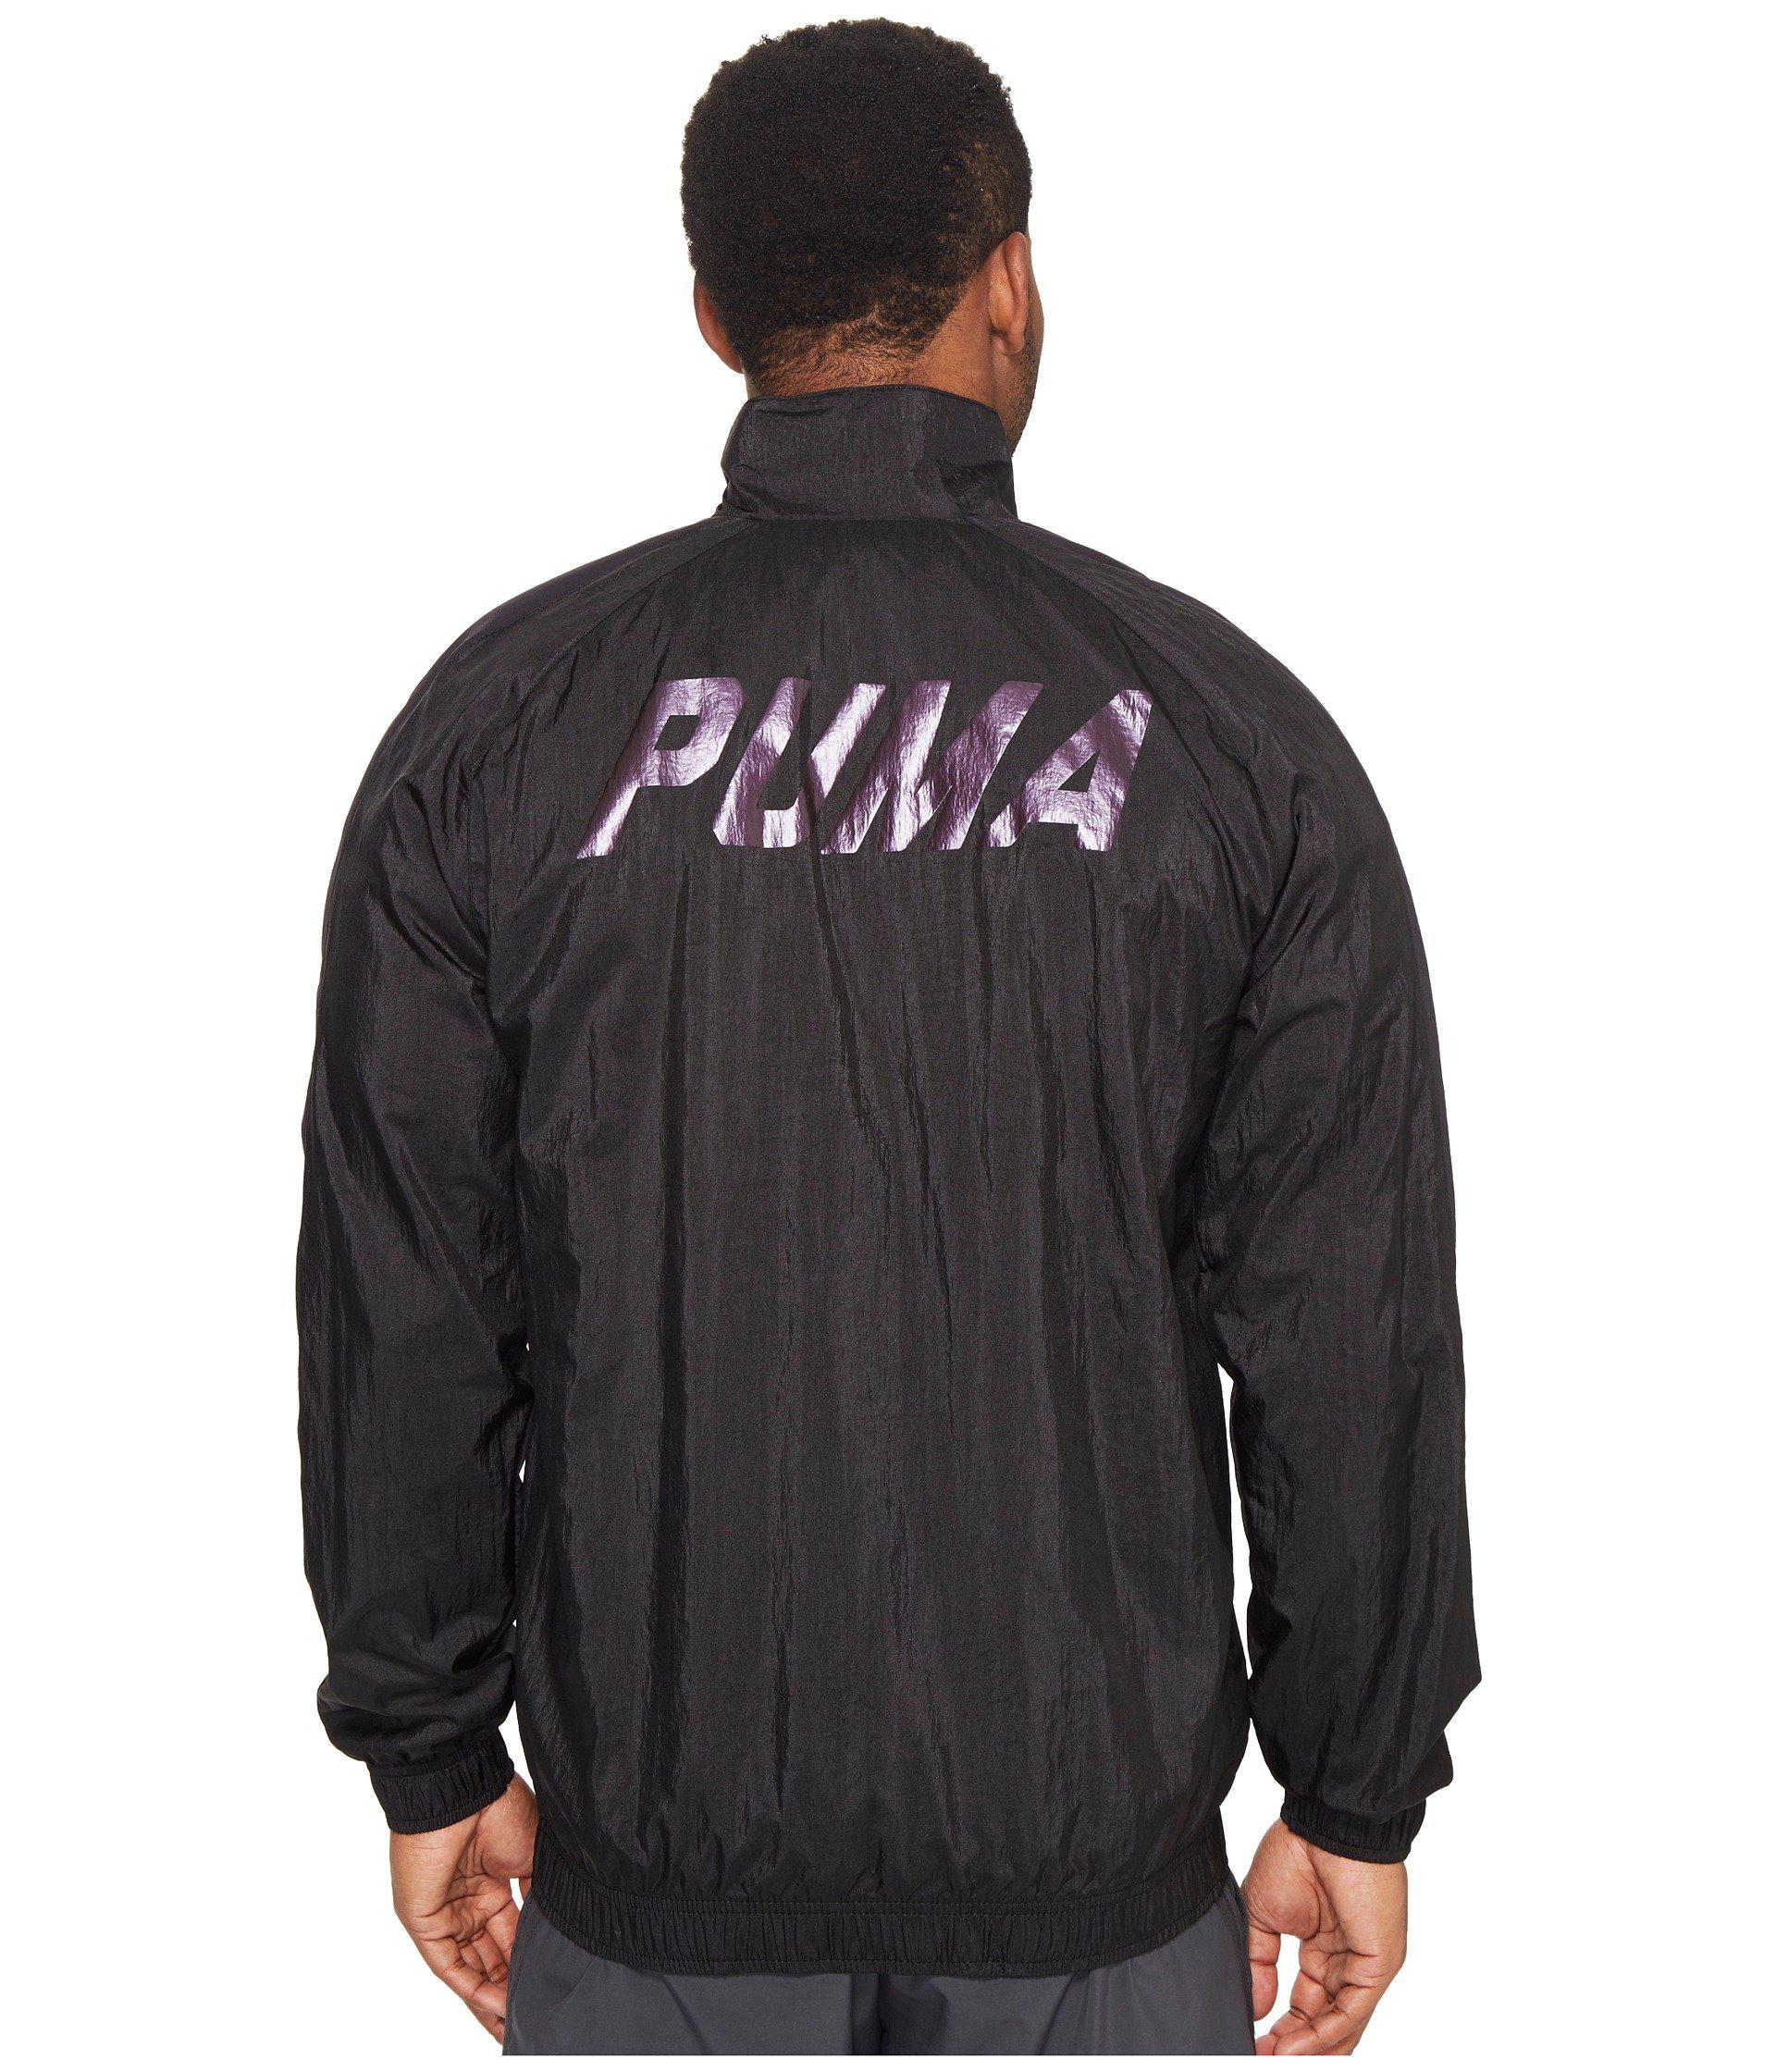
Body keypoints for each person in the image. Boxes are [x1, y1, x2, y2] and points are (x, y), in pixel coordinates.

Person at [299, 18, 1477, 2055]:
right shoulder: (1231, 744)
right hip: (1096, 1903)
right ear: (1008, 280)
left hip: (655, 1897)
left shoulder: (498, 734)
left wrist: (430, 1751)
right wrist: (1352, 1789)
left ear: (713, 320)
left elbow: (405, 1299)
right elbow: (1342, 1318)